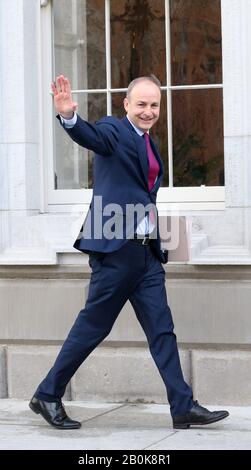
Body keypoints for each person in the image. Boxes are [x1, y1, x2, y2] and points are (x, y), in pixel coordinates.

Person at [29, 74, 229, 430]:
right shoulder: (113, 130)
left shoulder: (151, 144)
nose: (148, 111)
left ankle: (182, 406)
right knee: (93, 328)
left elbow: (144, 197)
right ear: (126, 105)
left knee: (162, 330)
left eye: (154, 105)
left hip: (147, 256)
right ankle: (47, 394)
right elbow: (91, 136)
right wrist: (69, 118)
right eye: (141, 104)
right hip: (116, 253)